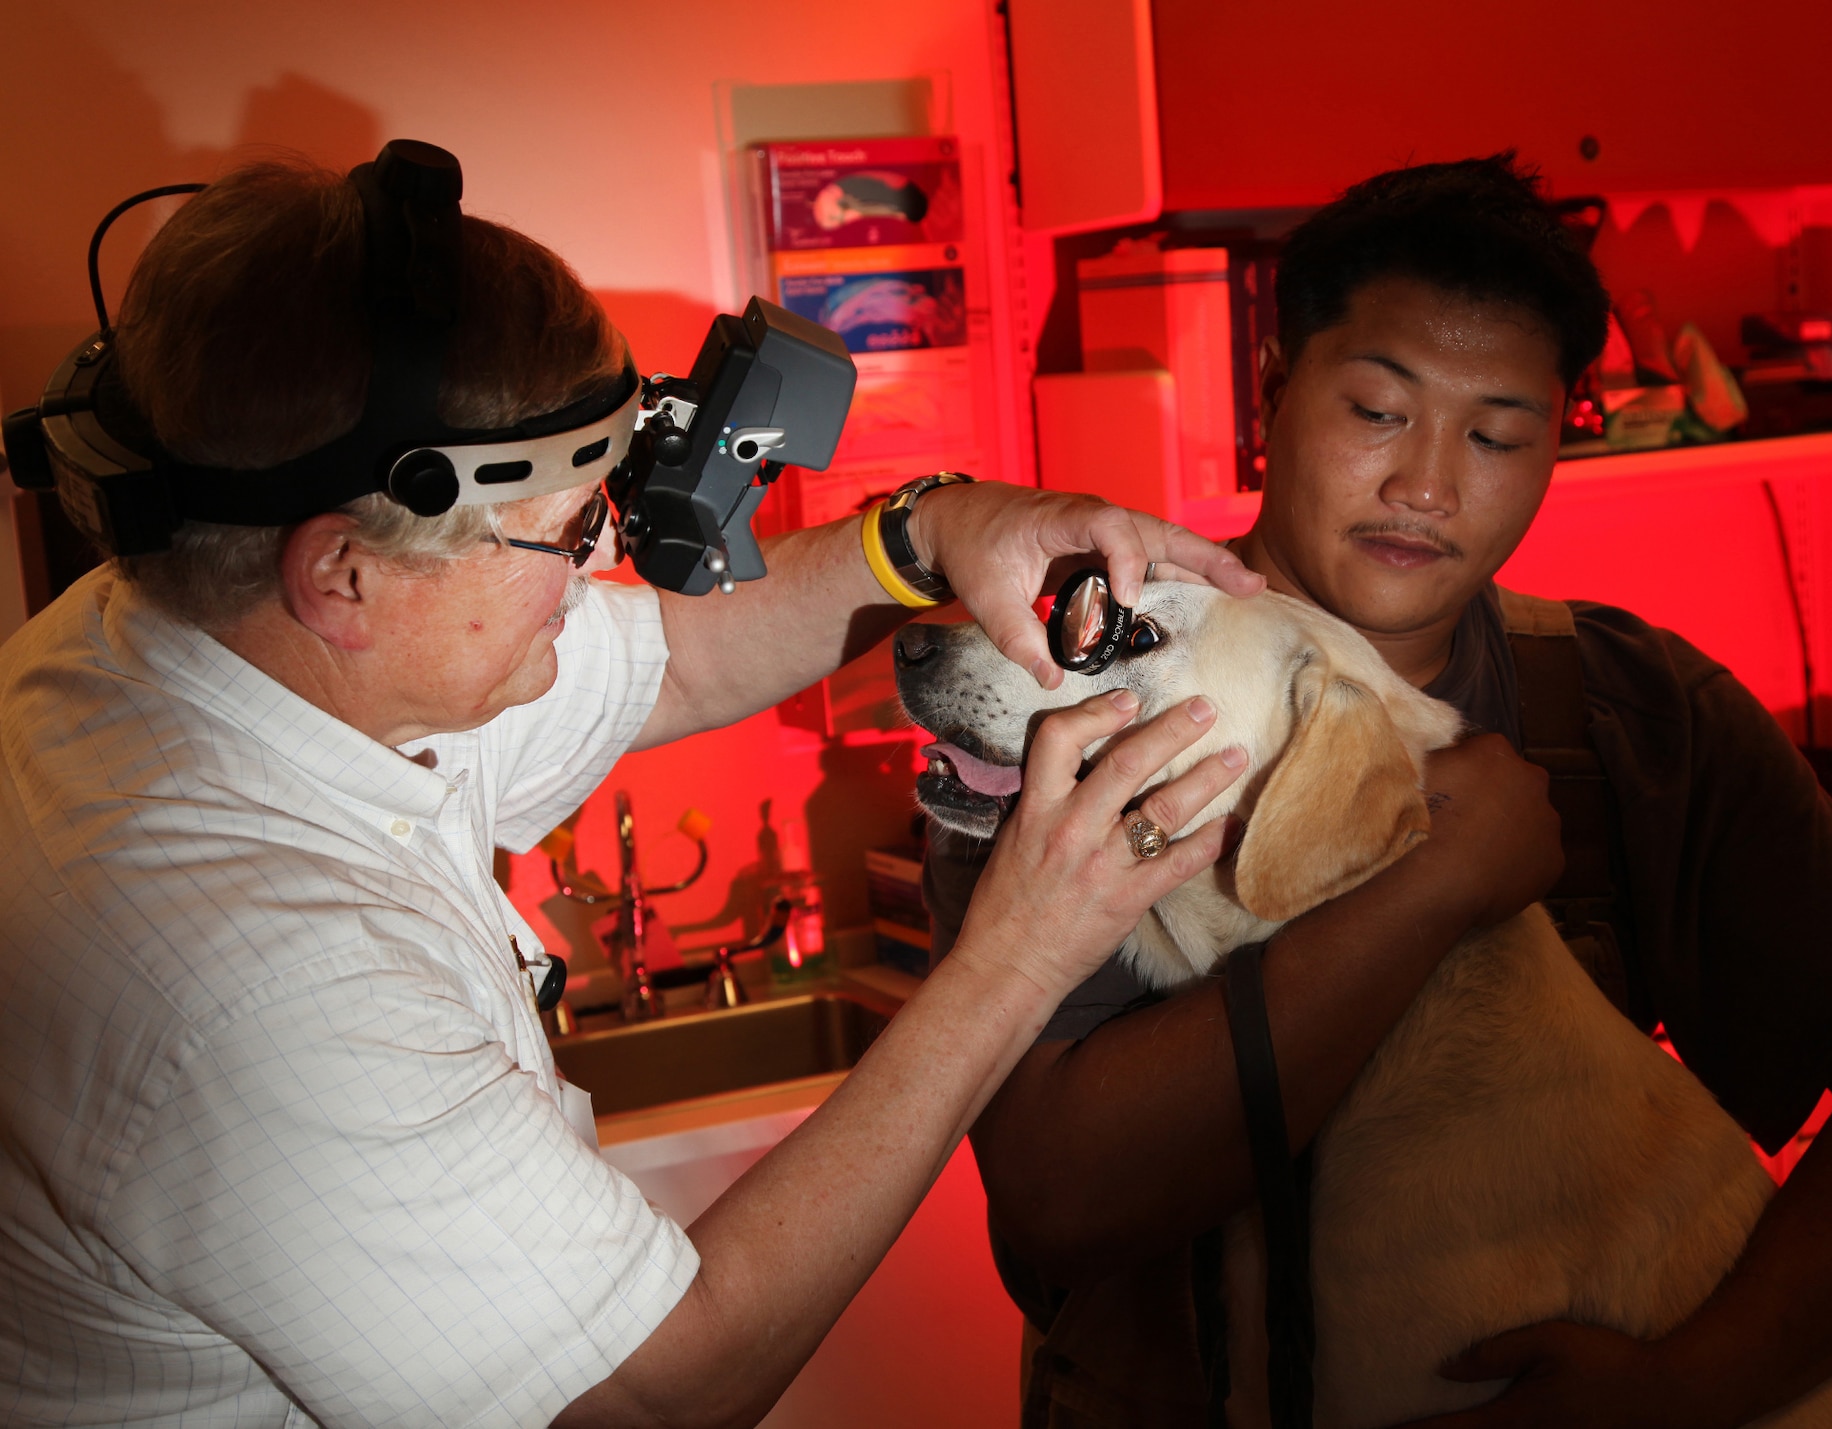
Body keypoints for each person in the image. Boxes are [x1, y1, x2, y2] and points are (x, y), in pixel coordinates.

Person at [0, 155, 1282, 1428]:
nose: (599, 567)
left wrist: (927, 531)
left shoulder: (206, 638)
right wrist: (1013, 959)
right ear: (341, 576)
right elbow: (655, 1395)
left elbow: (673, 659)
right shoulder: (254, 985)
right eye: (567, 537)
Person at [924, 155, 1832, 1427]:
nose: (1426, 485)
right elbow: (1065, 1196)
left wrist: (1696, 1383)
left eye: (1494, 434)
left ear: (1559, 437)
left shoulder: (1626, 710)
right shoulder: (1055, 697)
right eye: (1378, 410)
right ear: (1272, 388)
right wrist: (1435, 882)